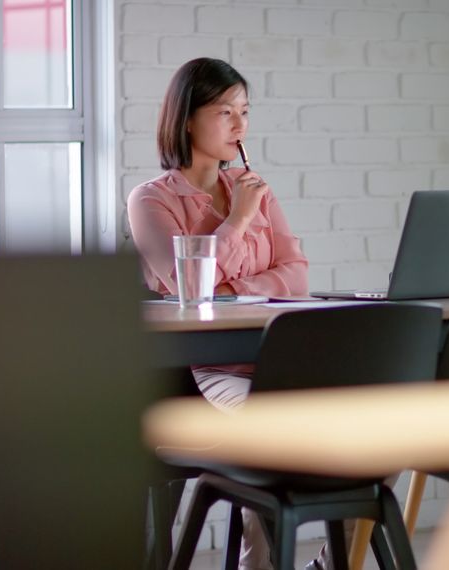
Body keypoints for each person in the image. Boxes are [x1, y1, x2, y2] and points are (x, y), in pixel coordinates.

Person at [128, 58, 337, 570]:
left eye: (245, 111)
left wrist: (233, 286)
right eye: (225, 112)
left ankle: (335, 560)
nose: (240, 125)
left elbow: (298, 274)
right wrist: (239, 220)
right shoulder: (152, 201)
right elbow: (189, 289)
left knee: (379, 423)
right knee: (273, 430)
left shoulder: (254, 187)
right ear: (186, 120)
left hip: (281, 361)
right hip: (211, 371)